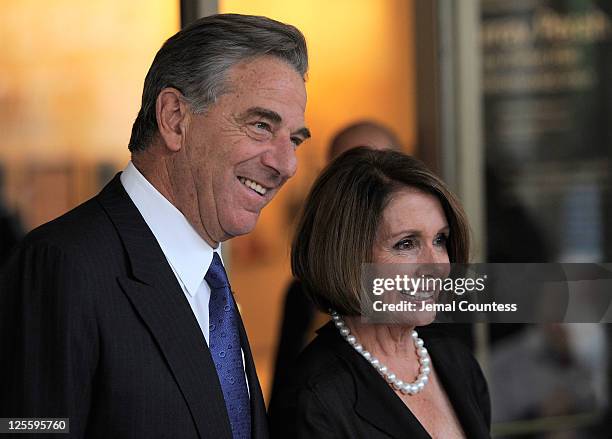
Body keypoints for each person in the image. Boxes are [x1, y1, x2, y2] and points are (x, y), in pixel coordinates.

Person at [0, 14, 309, 439]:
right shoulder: (64, 265)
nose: (287, 164)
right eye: (261, 126)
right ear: (174, 117)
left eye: (293, 139)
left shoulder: (210, 281)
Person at [269, 148, 491, 438]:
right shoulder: (314, 399)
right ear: (348, 256)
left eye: (440, 240)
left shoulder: (457, 361)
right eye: (406, 244)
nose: (436, 265)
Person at [270, 120, 401, 400]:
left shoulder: (441, 287)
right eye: (349, 176)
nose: (367, 190)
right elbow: (282, 399)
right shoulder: (303, 294)